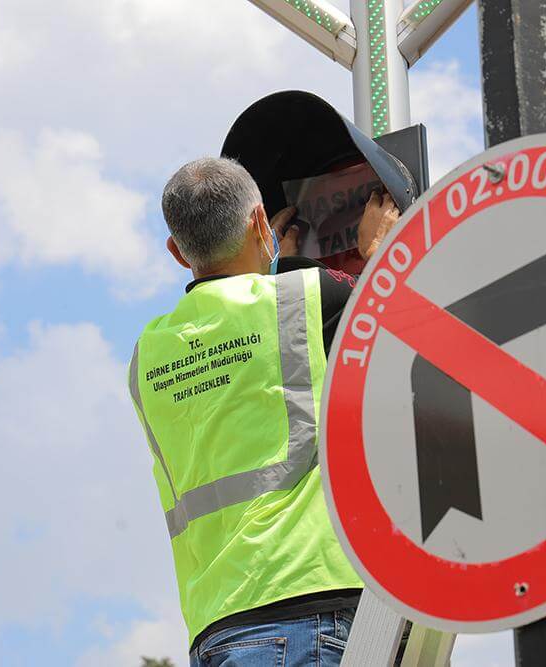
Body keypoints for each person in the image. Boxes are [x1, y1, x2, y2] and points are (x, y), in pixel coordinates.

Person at [128, 156, 400, 666]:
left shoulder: (147, 354)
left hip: (216, 626)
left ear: (176, 252)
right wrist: (382, 254)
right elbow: (408, 326)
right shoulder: (305, 298)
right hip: (309, 606)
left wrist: (274, 262)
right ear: (259, 223)